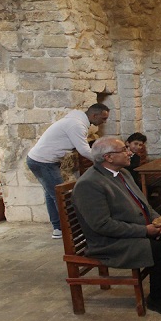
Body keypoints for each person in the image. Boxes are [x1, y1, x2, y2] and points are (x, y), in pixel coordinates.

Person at [71, 137, 161, 317]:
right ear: (108, 157)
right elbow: (102, 225)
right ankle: (158, 298)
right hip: (110, 242)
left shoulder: (123, 173)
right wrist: (144, 231)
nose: (129, 152)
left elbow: (144, 204)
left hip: (136, 229)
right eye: (123, 150)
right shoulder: (89, 184)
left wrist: (158, 220)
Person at [27, 103, 110, 240]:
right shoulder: (76, 125)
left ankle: (59, 228)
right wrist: (104, 162)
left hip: (41, 161)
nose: (104, 122)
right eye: (103, 118)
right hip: (43, 162)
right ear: (94, 115)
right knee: (62, 195)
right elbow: (84, 150)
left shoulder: (76, 121)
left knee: (52, 194)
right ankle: (71, 231)